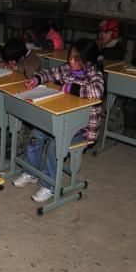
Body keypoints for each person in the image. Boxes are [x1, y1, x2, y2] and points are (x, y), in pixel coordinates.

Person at [12, 39, 104, 203]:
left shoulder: (95, 75)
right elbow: (49, 73)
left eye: (76, 59)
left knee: (56, 144)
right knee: (35, 135)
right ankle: (31, 172)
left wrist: (70, 88)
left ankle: (49, 185)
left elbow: (97, 92)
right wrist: (36, 79)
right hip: (61, 120)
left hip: (82, 129)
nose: (71, 61)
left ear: (87, 61)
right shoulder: (68, 69)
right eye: (71, 57)